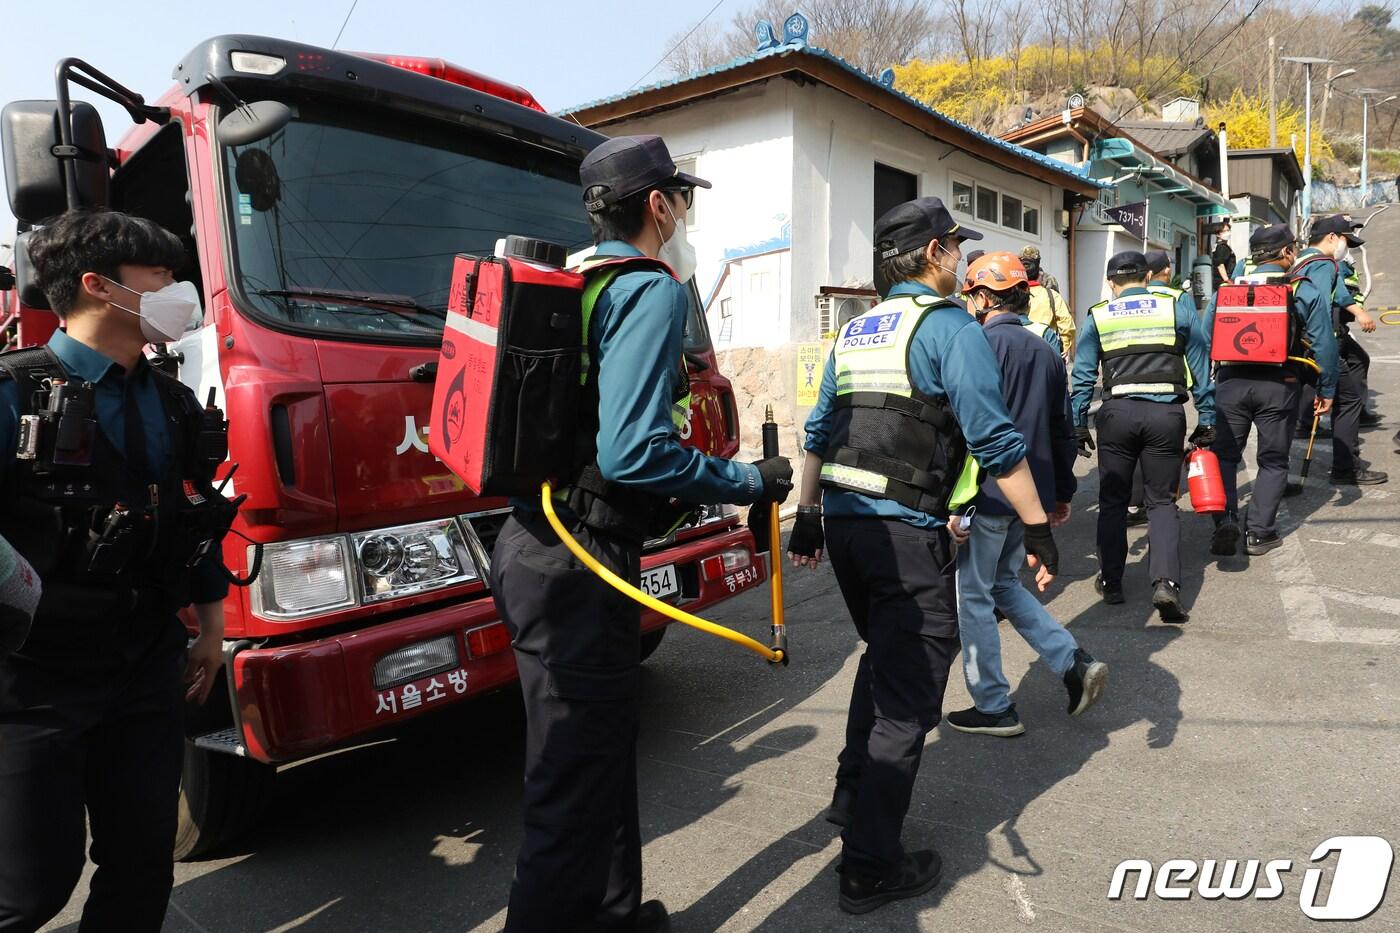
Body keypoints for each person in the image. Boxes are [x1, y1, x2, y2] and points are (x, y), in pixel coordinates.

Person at [489, 135, 792, 933]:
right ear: (658, 205)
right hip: (576, 558)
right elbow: (632, 450)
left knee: (601, 754)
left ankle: (616, 916)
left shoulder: (583, 279)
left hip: (549, 544)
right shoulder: (650, 291)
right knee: (568, 784)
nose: (684, 214)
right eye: (681, 199)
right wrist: (744, 482)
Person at [785, 197, 1060, 915]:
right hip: (904, 533)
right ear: (935, 253)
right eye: (956, 248)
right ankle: (869, 865)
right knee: (909, 699)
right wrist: (1037, 526)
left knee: (883, 655)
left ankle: (852, 793)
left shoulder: (854, 332)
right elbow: (996, 442)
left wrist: (807, 515)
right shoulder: (946, 328)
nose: (962, 261)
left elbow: (817, 430)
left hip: (845, 528)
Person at [0, 209, 235, 931]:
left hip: (144, 665)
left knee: (141, 865)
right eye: (161, 273)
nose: (179, 287)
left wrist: (212, 628)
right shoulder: (13, 391)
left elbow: (194, 517)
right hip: (34, 679)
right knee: (33, 885)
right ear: (99, 286)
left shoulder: (173, 399)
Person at [944, 252, 1106, 737]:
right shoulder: (1045, 347)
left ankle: (993, 705)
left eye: (971, 293)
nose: (969, 302)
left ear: (984, 296)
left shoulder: (975, 345)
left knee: (973, 595)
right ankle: (1073, 662)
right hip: (1029, 497)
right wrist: (1060, 493)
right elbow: (1062, 429)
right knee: (1003, 585)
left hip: (988, 494)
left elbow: (961, 430)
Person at [1072, 250, 1215, 621]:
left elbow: (1083, 376)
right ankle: (1166, 582)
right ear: (1147, 278)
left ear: (1111, 282)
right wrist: (1207, 417)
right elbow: (1201, 364)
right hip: (1165, 415)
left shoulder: (1099, 315)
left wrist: (1076, 424)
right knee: (1162, 502)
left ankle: (1113, 580)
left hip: (1116, 415)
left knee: (1114, 500)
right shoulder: (1174, 309)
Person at [1204, 222, 1338, 556]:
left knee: (1225, 456)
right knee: (1274, 460)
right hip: (1280, 384)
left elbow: (1206, 335)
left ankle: (1226, 522)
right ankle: (1260, 533)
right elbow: (1324, 343)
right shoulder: (1300, 288)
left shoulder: (1229, 289)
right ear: (1286, 252)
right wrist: (1327, 388)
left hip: (1231, 382)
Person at [1320, 218, 1385, 485]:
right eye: (1347, 241)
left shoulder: (1319, 264)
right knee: (1346, 401)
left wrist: (1355, 312)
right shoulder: (1321, 266)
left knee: (1360, 360)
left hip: (1331, 337)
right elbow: (1328, 302)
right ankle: (1345, 469)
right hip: (1325, 341)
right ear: (1333, 237)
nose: (1349, 247)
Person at [1020, 245, 1076, 361]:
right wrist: (1064, 346)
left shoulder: (1010, 294)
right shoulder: (1052, 295)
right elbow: (1066, 323)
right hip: (1047, 348)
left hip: (1018, 348)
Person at [1212, 219, 1236, 291]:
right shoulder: (1222, 247)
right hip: (1223, 282)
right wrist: (1227, 280)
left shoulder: (1221, 246)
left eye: (1228, 230)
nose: (1227, 233)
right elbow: (1220, 265)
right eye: (1224, 231)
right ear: (1218, 234)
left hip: (1222, 281)